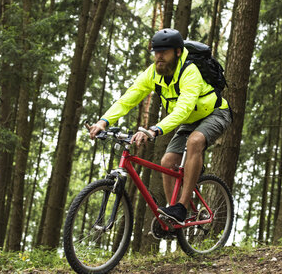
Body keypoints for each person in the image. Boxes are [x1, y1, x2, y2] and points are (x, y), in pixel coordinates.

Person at [88, 28, 232, 225]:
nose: (159, 56)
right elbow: (128, 99)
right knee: (166, 162)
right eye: (156, 52)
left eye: (164, 52)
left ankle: (180, 207)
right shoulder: (152, 74)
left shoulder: (190, 72)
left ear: (178, 52)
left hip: (215, 113)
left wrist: (155, 129)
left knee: (195, 141)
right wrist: (103, 121)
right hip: (191, 120)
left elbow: (182, 110)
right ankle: (172, 216)